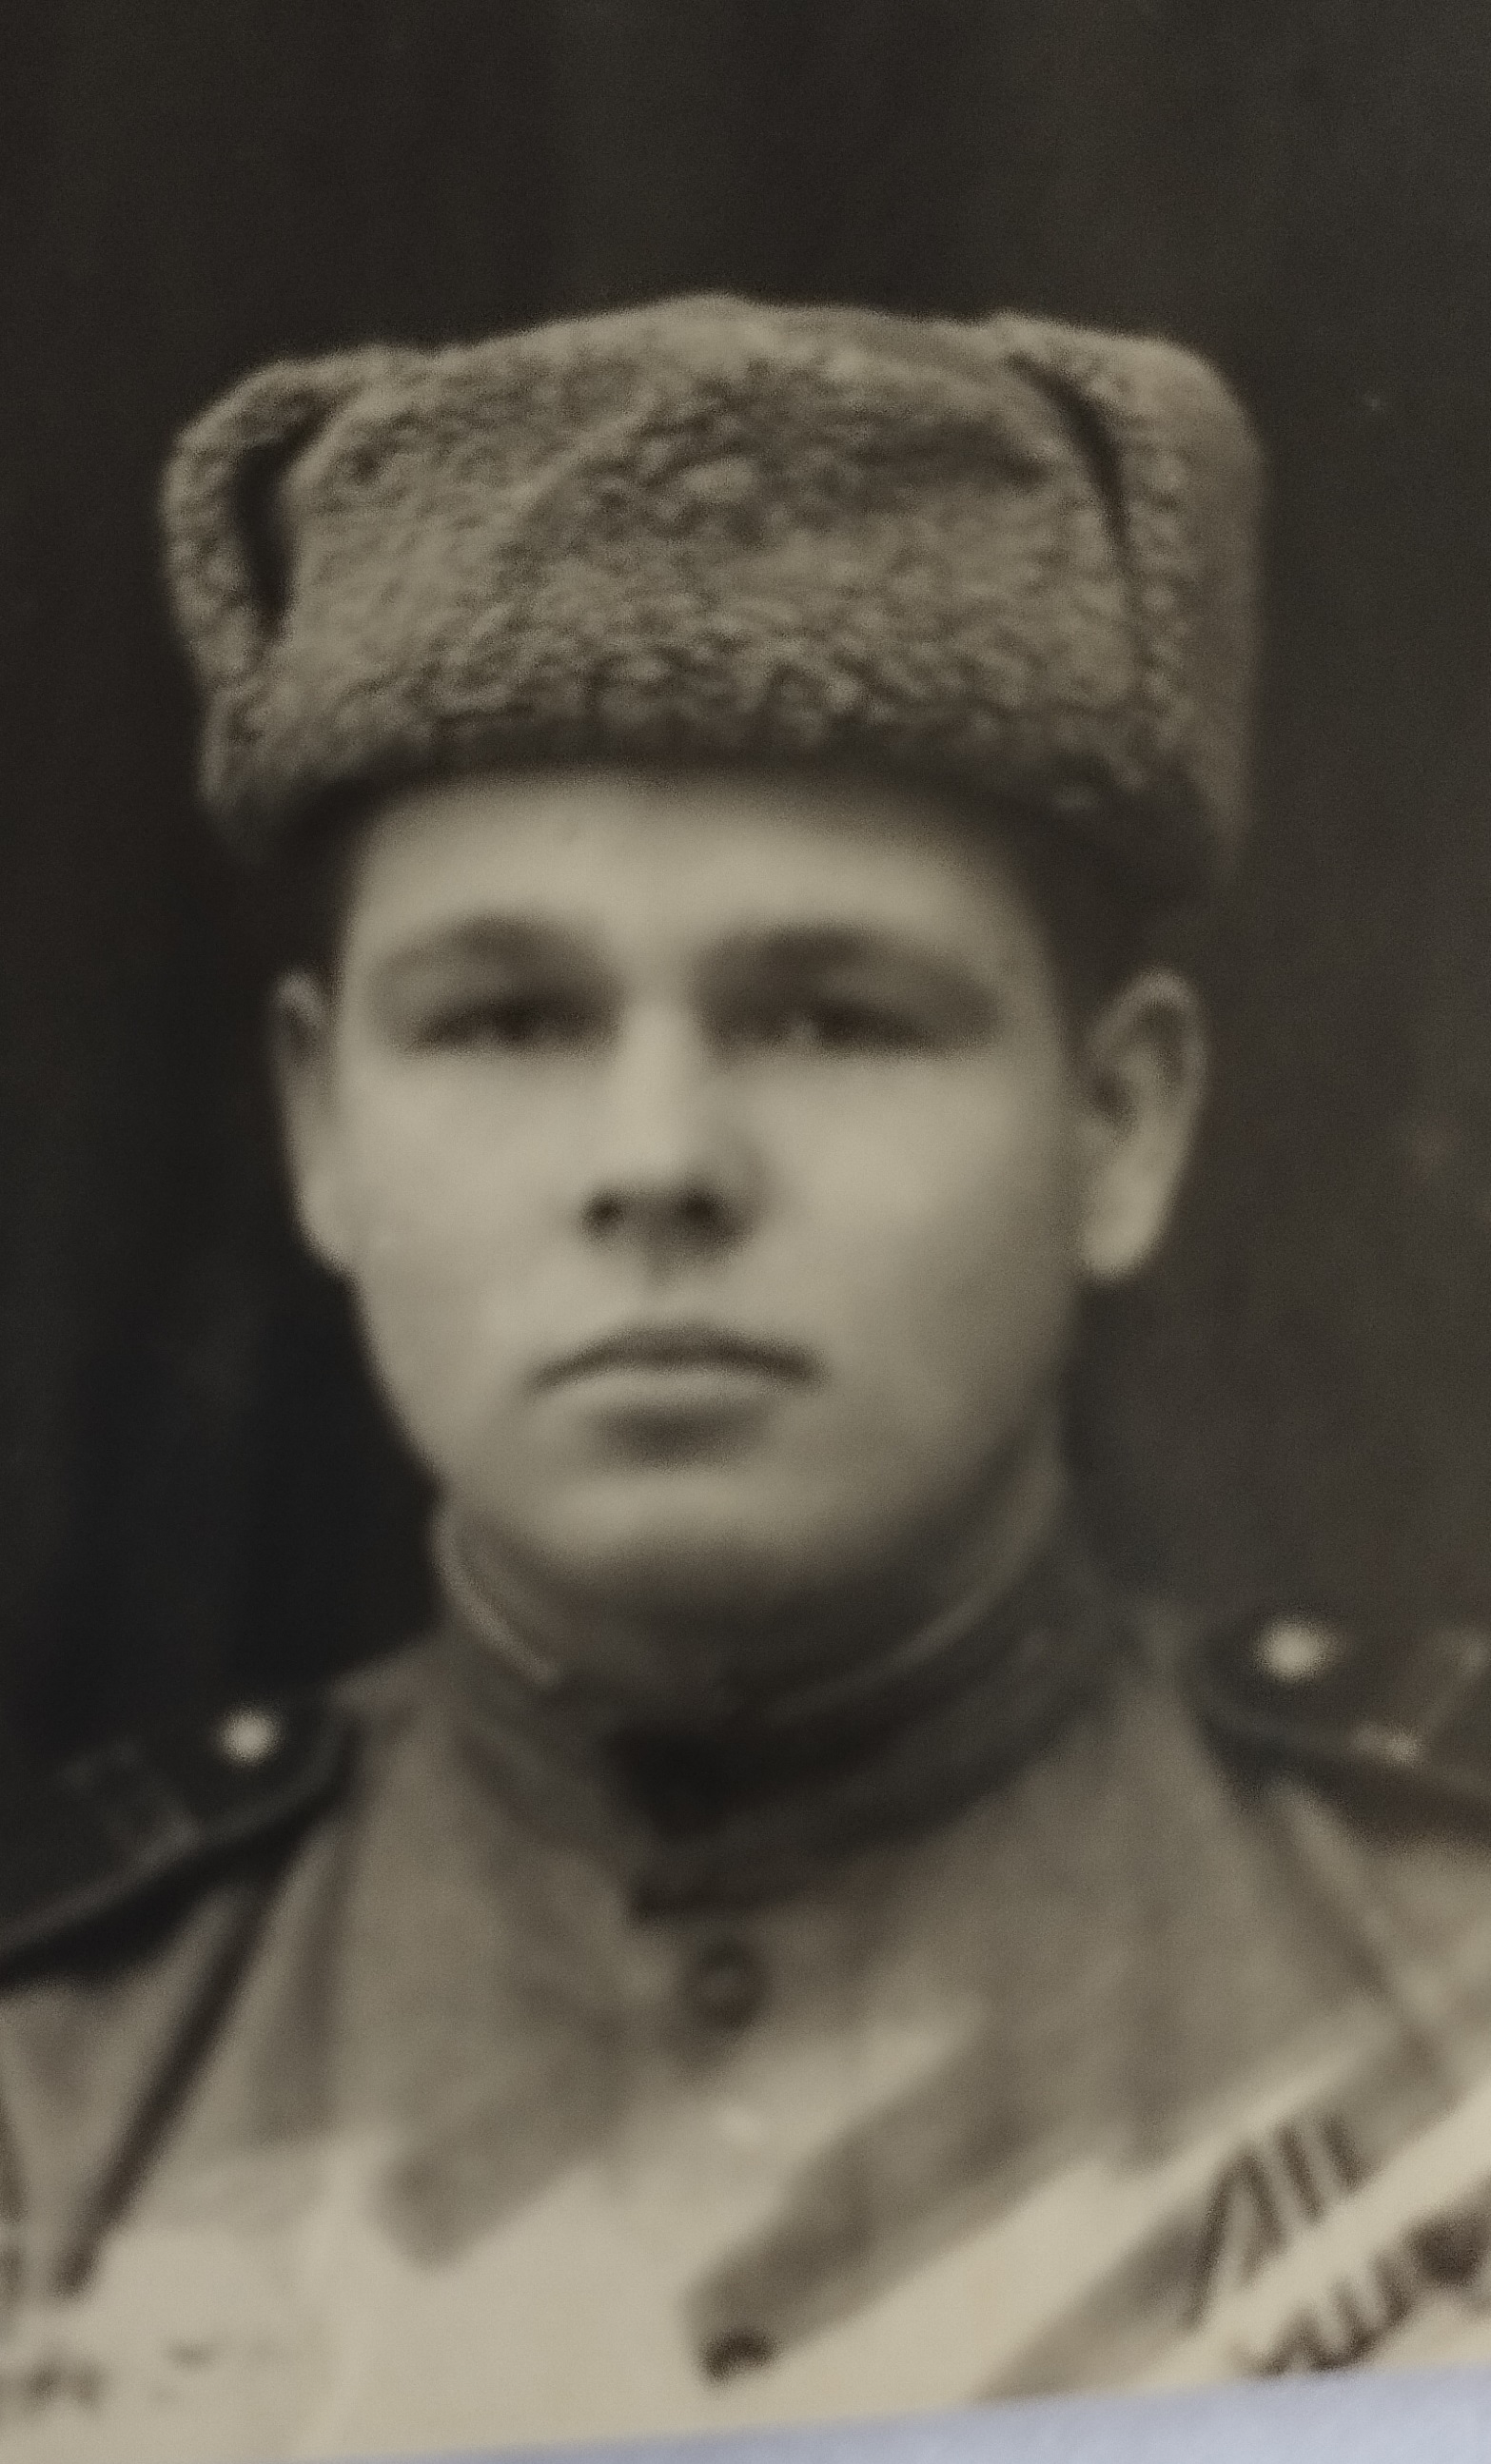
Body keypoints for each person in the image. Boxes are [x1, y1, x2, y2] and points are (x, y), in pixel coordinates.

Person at [4, 295, 1491, 2464]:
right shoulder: (59, 2066)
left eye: (830, 1017)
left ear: (1118, 1122)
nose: (660, 1162)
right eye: (507, 1019)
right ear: (323, 1124)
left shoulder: (1446, 1960)